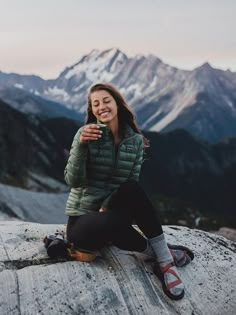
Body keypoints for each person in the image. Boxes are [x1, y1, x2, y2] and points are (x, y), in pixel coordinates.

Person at [64, 83, 192, 300]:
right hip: (83, 223)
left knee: (133, 189)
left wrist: (109, 203)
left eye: (106, 101)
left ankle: (164, 265)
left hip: (111, 213)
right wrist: (80, 144)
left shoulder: (134, 141)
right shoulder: (86, 135)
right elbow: (72, 180)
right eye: (96, 104)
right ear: (91, 110)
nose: (102, 106)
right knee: (112, 223)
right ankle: (164, 257)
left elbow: (129, 185)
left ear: (117, 103)